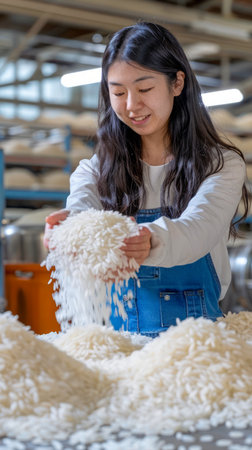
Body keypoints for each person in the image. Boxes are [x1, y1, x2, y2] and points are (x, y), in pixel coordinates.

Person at [44, 21, 249, 338]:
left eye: (144, 89)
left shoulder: (220, 165)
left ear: (177, 83)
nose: (130, 105)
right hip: (120, 342)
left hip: (196, 345)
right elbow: (82, 209)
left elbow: (199, 228)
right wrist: (67, 229)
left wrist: (149, 241)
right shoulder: (96, 169)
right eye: (118, 92)